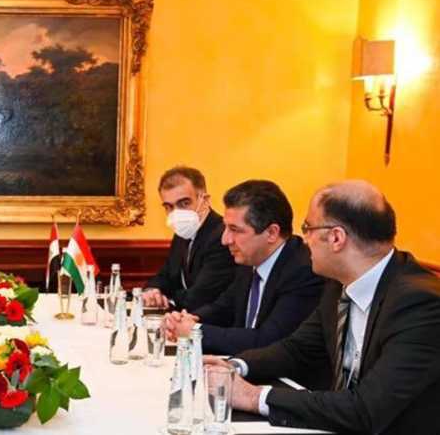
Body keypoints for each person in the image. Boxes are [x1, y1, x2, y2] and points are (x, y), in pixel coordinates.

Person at [209, 180, 440, 434]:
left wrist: (254, 397)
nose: (304, 240)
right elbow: (296, 350)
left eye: (307, 228)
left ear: (336, 238)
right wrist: (234, 367)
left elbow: (366, 409)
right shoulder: (338, 284)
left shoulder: (421, 304)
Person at [164, 180, 323, 354]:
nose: (225, 240)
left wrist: (195, 331)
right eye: (225, 228)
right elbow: (224, 307)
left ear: (271, 233)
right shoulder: (249, 261)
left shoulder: (303, 271)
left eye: (234, 230)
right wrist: (187, 320)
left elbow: (269, 341)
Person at [143, 166, 236, 311]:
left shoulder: (222, 236)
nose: (176, 213)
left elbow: (200, 296)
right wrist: (153, 290)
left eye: (184, 203)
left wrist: (166, 299)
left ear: (204, 200)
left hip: (211, 320)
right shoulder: (183, 232)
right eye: (168, 207)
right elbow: (166, 275)